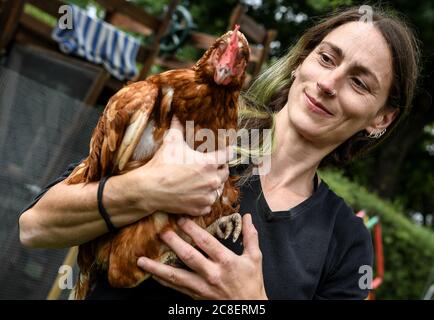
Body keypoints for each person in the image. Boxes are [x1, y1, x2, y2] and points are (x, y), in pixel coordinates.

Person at [19, 6, 420, 300]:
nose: (329, 83)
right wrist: (142, 190)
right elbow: (34, 226)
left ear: (381, 118)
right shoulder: (195, 126)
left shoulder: (346, 244)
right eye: (327, 58)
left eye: (360, 83)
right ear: (301, 62)